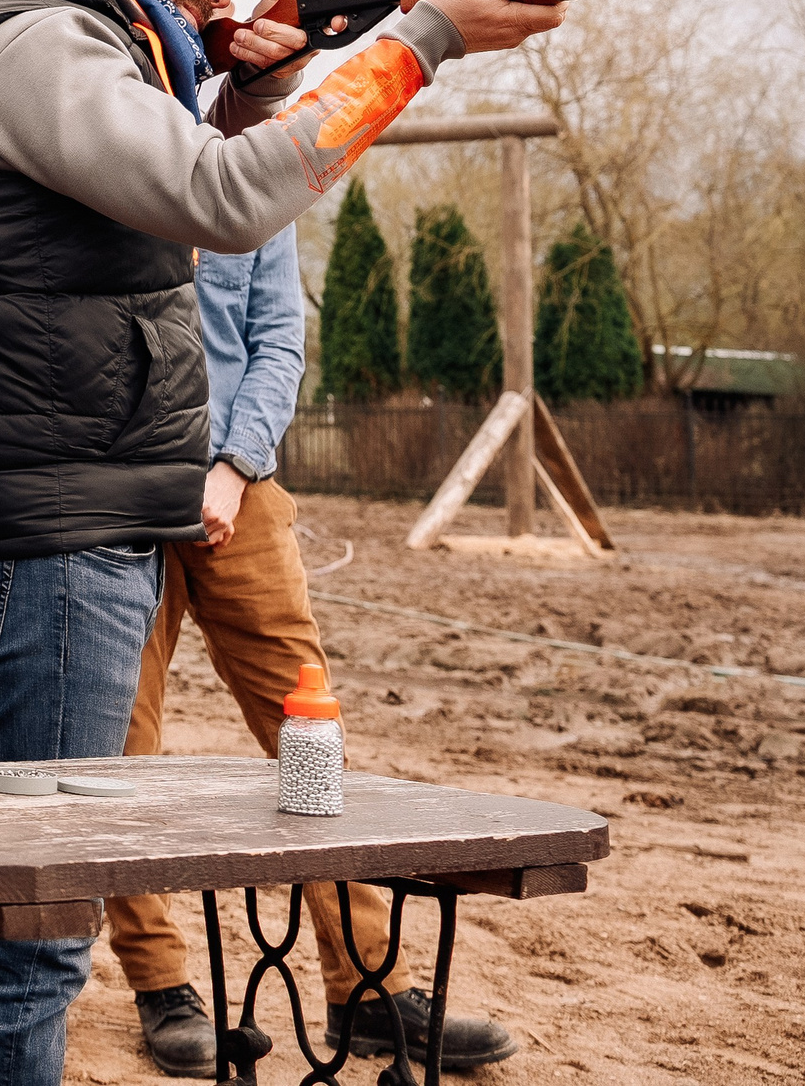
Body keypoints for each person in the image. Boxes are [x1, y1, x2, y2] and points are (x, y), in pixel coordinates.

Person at [0, 0, 570, 1082]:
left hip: (73, 508)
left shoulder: (79, 42)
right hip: (54, 526)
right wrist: (421, 41)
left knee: (20, 908)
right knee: (33, 920)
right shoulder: (38, 36)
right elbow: (218, 199)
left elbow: (198, 180)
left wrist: (257, 82)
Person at [112, 225, 517, 1075]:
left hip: (239, 489)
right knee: (123, 743)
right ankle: (161, 984)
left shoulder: (255, 179)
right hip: (120, 488)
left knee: (311, 732)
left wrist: (235, 463)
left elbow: (278, 340)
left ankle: (368, 986)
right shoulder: (123, 143)